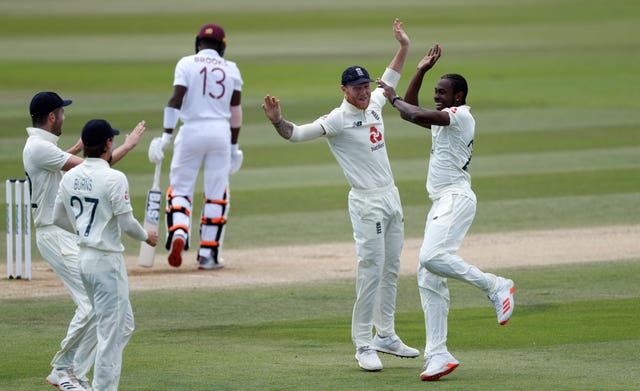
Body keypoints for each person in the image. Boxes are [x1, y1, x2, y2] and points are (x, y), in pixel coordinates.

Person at [262, 18, 419, 372]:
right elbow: (297, 134)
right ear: (344, 90)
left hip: (391, 196)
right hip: (366, 202)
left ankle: (386, 335)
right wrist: (276, 120)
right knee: (370, 270)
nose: (364, 91)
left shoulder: (377, 102)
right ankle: (363, 344)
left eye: (366, 85)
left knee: (392, 268)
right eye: (356, 87)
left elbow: (390, 77)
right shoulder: (336, 119)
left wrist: (404, 46)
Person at [376, 44, 516, 381]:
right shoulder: (445, 120)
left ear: (459, 96)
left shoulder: (461, 116)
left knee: (430, 257)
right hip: (442, 202)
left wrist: (393, 97)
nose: (436, 96)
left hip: (456, 198)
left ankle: (495, 285)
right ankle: (438, 354)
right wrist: (420, 71)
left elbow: (411, 112)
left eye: (442, 92)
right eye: (435, 92)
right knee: (428, 275)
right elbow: (409, 111)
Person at [23, 91, 145, 390]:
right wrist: (127, 146)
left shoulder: (42, 146)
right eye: (61, 112)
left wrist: (74, 149)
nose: (64, 116)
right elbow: (95, 169)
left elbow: (82, 167)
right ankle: (64, 369)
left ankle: (75, 370)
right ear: (52, 117)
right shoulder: (40, 148)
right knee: (92, 307)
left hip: (65, 232)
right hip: (54, 233)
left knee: (123, 321)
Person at [53, 119, 158, 391]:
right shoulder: (114, 177)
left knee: (123, 326)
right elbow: (127, 225)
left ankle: (72, 371)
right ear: (108, 143)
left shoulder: (70, 176)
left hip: (85, 260)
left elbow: (58, 218)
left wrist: (85, 231)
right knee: (111, 334)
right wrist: (148, 236)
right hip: (107, 262)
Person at [148, 22, 244, 270]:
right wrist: (234, 148)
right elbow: (235, 112)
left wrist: (166, 137)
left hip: (190, 130)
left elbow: (175, 100)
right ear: (222, 47)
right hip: (220, 132)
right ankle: (208, 255)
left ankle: (179, 231)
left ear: (197, 43)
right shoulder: (231, 69)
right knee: (216, 193)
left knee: (180, 189)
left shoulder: (186, 63)